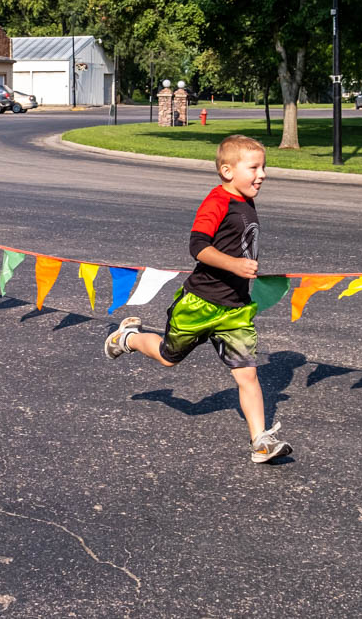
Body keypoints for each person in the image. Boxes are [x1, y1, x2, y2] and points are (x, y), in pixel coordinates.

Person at [102, 133, 290, 464]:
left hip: (235, 309)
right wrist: (234, 264)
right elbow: (198, 246)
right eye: (254, 168)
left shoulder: (245, 200)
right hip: (199, 303)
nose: (262, 174)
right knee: (167, 357)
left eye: (263, 167)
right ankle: (127, 338)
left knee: (247, 374)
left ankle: (260, 441)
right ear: (227, 171)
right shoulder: (217, 201)